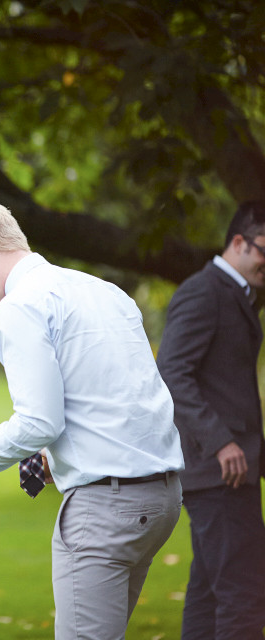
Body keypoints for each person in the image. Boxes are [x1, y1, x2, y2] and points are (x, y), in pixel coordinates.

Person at [0, 199, 184, 639]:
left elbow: (39, 422)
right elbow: (120, 398)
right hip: (161, 499)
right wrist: (51, 458)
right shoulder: (103, 291)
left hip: (104, 510)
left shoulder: (18, 307)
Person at [155, 200, 265, 639]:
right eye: (264, 251)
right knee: (244, 593)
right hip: (218, 471)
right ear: (238, 242)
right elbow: (171, 374)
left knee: (209, 592)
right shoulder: (203, 292)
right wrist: (221, 441)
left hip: (229, 473)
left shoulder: (236, 294)